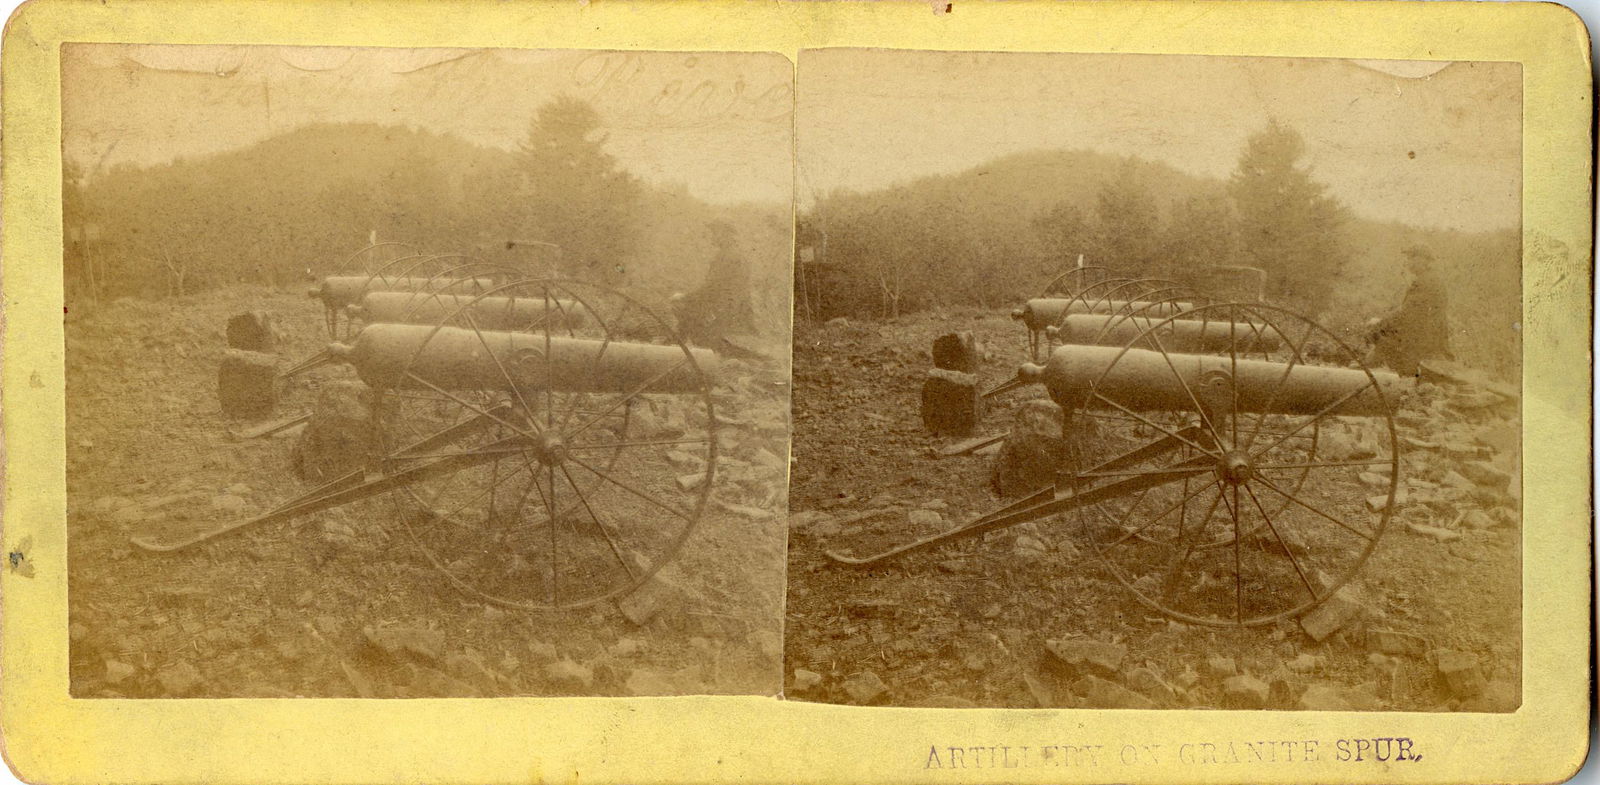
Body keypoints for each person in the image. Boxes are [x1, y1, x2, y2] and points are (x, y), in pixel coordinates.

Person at [1367, 245, 1451, 377]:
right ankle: (1372, 365)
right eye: (1408, 258)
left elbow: (1408, 313)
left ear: (1423, 260)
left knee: (1378, 334)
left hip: (1422, 340)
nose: (1408, 262)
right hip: (1428, 337)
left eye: (1412, 258)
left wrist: (1380, 323)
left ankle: (1370, 369)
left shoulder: (1426, 282)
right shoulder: (1431, 279)